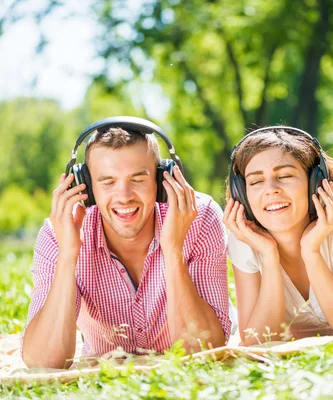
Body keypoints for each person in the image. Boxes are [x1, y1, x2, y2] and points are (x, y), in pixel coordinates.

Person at [22, 117, 231, 368]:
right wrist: (68, 255)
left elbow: (204, 352)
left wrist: (173, 250)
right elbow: (43, 363)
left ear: (163, 180)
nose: (123, 196)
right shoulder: (59, 233)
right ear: (85, 185)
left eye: (138, 179)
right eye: (108, 181)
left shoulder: (200, 216)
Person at [223, 126, 333, 346]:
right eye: (255, 181)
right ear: (241, 193)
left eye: (285, 175)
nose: (271, 189)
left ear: (315, 182)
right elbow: (258, 342)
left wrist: (311, 252)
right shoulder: (244, 238)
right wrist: (269, 256)